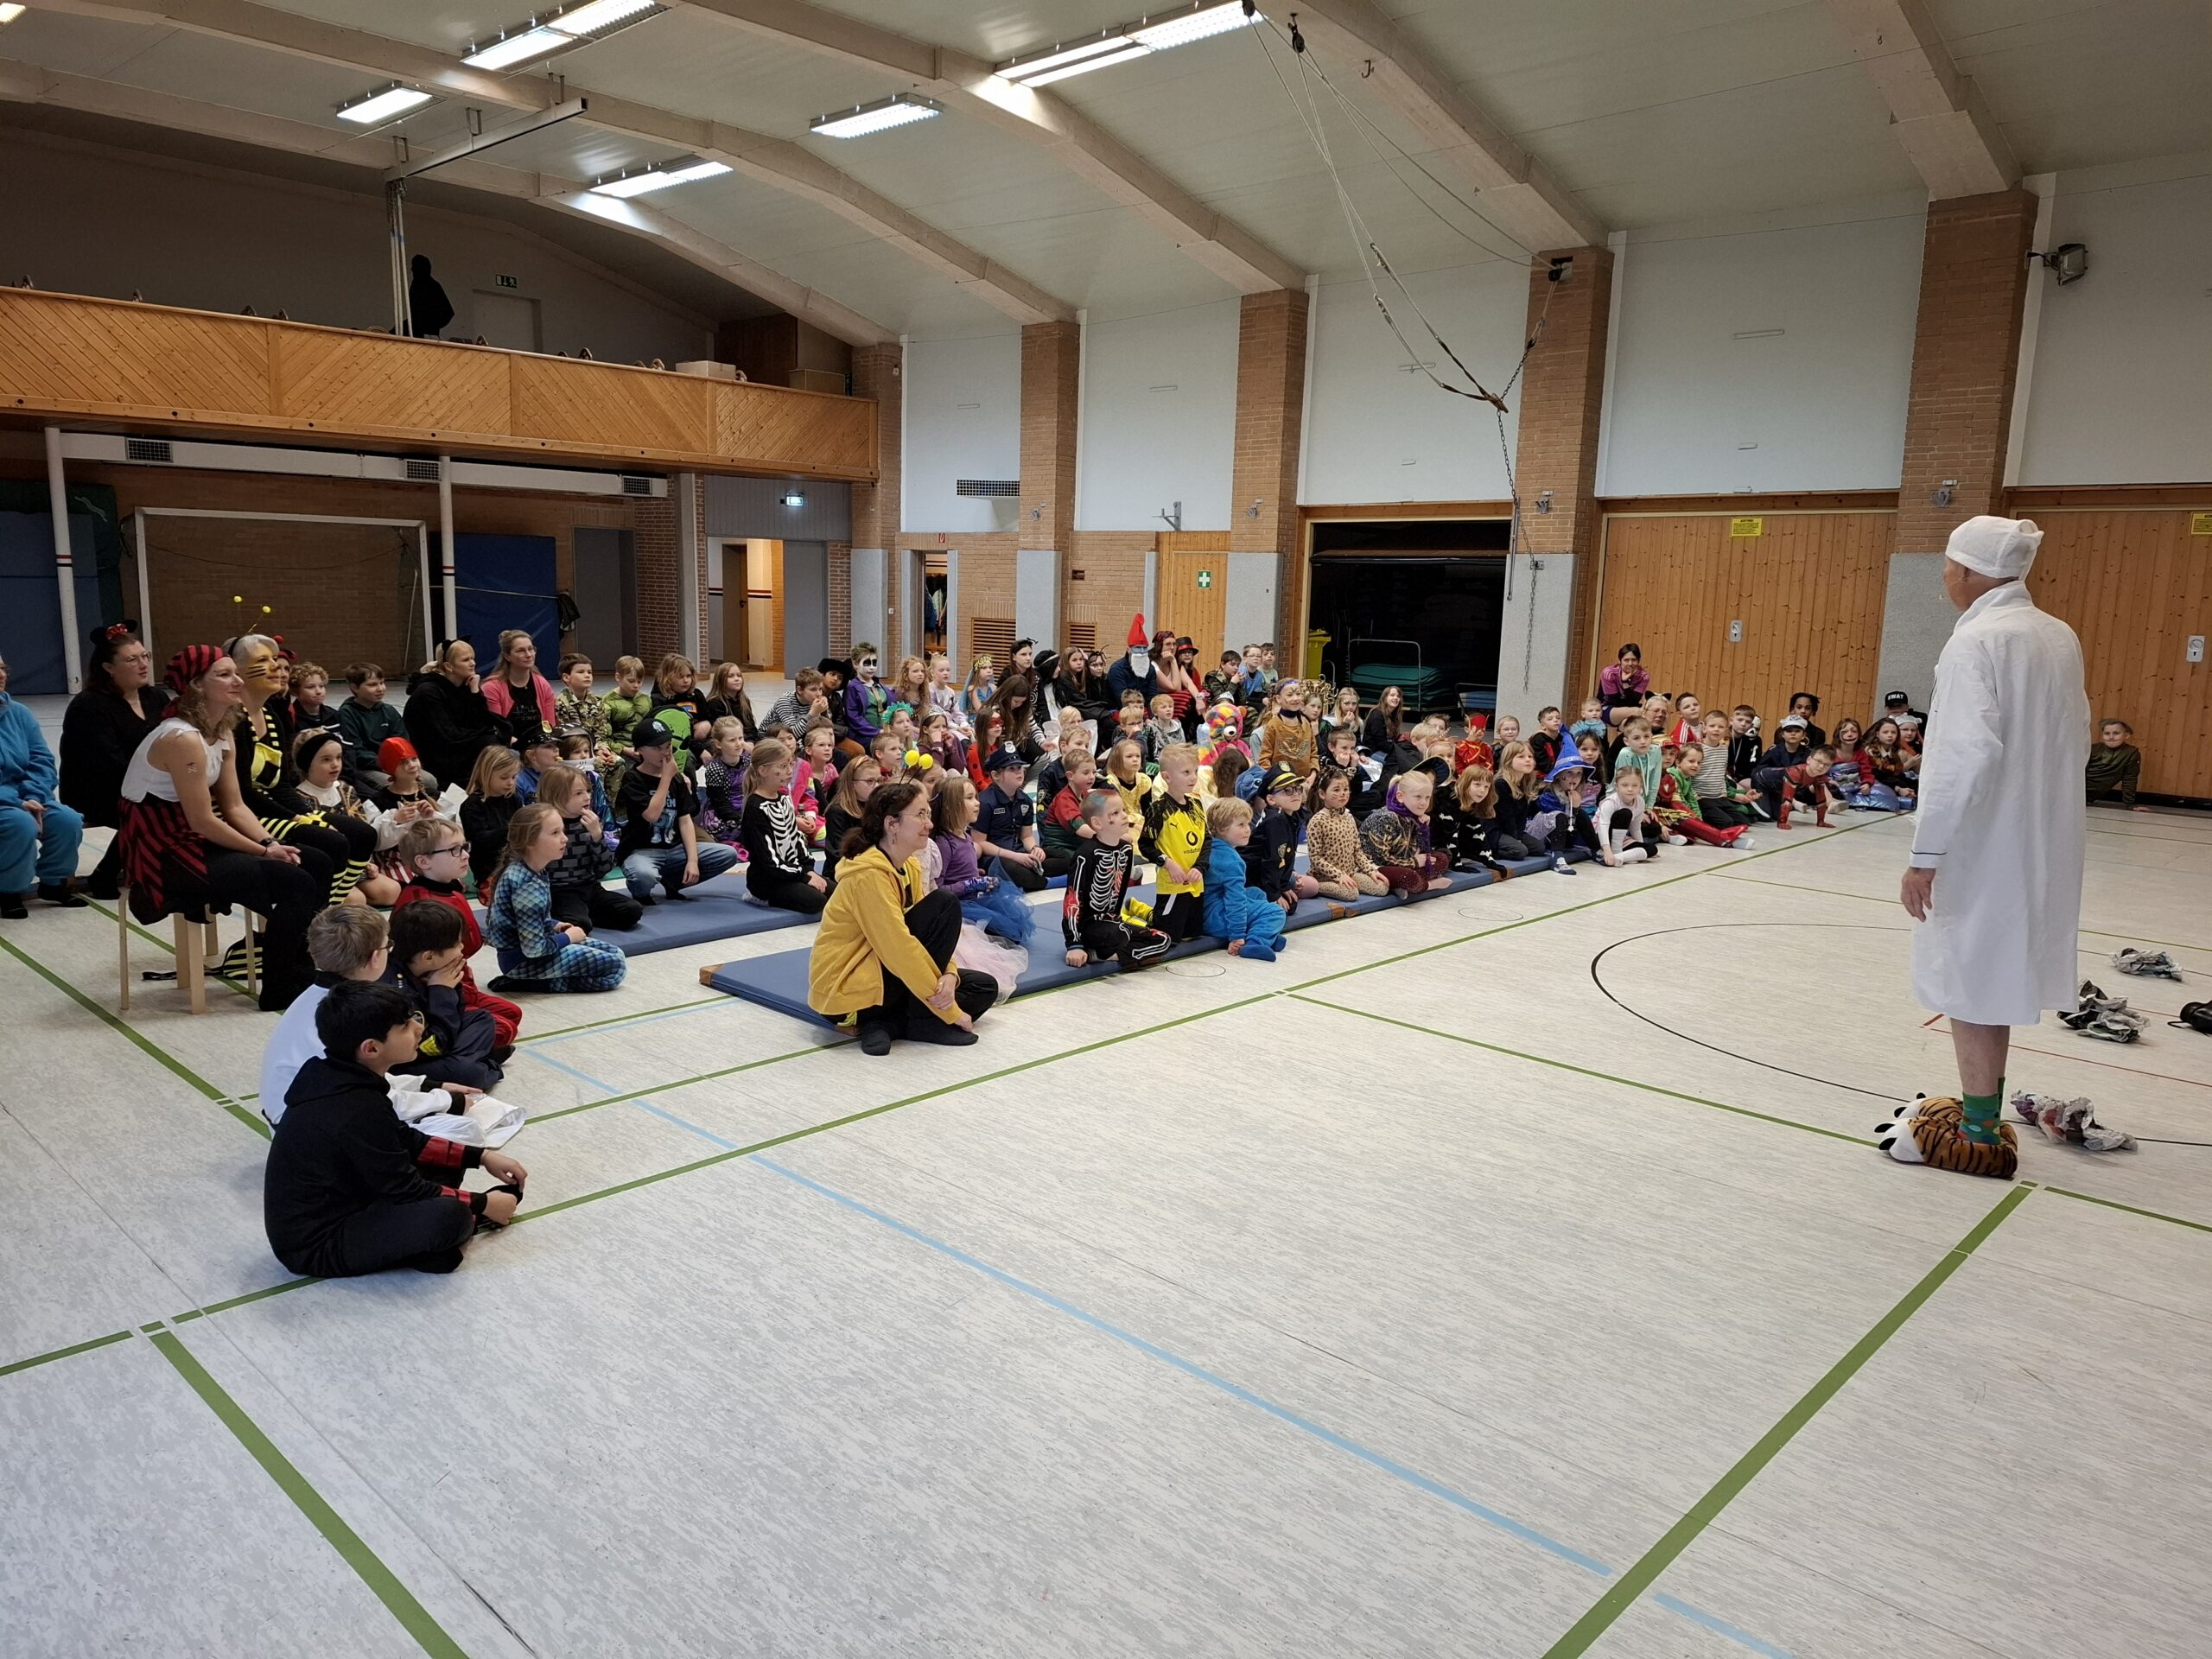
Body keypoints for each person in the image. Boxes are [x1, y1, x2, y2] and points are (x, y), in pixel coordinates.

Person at [1901, 515, 2090, 1162]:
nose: (1945, 577)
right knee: (1996, 971)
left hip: (1983, 839)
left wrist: (1925, 855)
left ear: (1968, 571)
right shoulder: (2058, 635)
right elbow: (2078, 735)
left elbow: (1959, 757)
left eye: (1948, 566)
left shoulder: (1976, 642)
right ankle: (1981, 1107)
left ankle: (1978, 1133)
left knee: (1971, 975)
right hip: (2042, 833)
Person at [264, 981, 528, 1280]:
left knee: (442, 1163)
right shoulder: (354, 1108)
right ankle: (436, 1242)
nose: (419, 1028)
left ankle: (429, 1244)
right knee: (451, 1216)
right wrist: (483, 1204)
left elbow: (405, 1139)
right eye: (404, 1026)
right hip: (319, 1245)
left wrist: (481, 1157)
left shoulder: (343, 1077)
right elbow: (405, 1188)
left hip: (355, 1197)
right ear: (372, 1048)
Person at [118, 647, 322, 1008]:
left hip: (194, 836)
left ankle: (298, 966)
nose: (238, 681)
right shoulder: (181, 738)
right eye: (224, 674)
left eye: (235, 673)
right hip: (163, 848)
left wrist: (270, 842)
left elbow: (234, 806)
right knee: (295, 881)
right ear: (196, 685)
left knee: (316, 861)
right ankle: (279, 986)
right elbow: (202, 819)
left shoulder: (222, 730)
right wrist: (264, 852)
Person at [809, 779, 998, 1053]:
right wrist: (949, 1012)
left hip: (883, 973)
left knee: (983, 987)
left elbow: (929, 938)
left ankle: (888, 1024)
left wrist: (949, 975)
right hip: (849, 989)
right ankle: (922, 1021)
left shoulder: (908, 864)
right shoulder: (868, 876)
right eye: (920, 815)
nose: (929, 824)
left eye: (928, 814)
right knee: (945, 904)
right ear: (892, 824)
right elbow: (900, 950)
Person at [221, 632, 377, 912]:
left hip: (269, 807)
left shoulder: (272, 718)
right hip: (245, 814)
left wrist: (307, 813)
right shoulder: (234, 722)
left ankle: (328, 910)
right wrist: (299, 818)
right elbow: (243, 793)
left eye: (276, 659)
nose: (277, 668)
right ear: (238, 670)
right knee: (332, 842)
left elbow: (280, 785)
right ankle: (317, 917)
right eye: (263, 660)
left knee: (363, 834)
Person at [60, 622, 171, 899]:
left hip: (145, 783)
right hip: (97, 789)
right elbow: (107, 764)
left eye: (145, 656)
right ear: (108, 667)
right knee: (153, 808)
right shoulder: (89, 705)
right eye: (132, 660)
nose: (143, 664)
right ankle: (105, 873)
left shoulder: (156, 698)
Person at [391, 818, 524, 1048]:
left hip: (462, 982)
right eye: (454, 850)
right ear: (423, 861)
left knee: (513, 1013)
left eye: (464, 847)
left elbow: (470, 943)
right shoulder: (422, 908)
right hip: (441, 991)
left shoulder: (451, 890)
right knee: (504, 1030)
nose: (465, 855)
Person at [258, 906, 394, 1126]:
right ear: (376, 957)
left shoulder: (312, 996)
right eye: (388, 946)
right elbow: (369, 1092)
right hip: (307, 1123)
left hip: (289, 1113)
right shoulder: (349, 1014)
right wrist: (442, 1098)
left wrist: (428, 1087)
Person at [481, 804, 627, 993]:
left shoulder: (534, 869)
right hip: (524, 961)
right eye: (555, 833)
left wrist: (556, 925)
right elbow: (534, 949)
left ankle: (542, 978)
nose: (564, 838)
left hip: (536, 950)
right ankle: (528, 983)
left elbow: (529, 922)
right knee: (615, 969)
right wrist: (568, 937)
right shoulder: (526, 884)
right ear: (530, 841)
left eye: (562, 831)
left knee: (616, 953)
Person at [385, 899, 505, 1093]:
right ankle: (487, 1065)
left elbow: (459, 1012)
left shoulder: (426, 970)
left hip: (436, 1036)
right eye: (456, 944)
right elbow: (433, 1046)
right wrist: (441, 991)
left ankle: (470, 1059)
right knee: (468, 1073)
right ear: (429, 957)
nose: (462, 947)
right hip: (406, 1061)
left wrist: (446, 988)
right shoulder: (397, 993)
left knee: (482, 1018)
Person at [0, 652, 86, 918]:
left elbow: (42, 760)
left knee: (67, 820)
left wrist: (34, 795)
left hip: (27, 794)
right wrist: (17, 802)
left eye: (3, 668)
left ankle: (53, 883)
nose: (1, 675)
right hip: (6, 800)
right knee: (20, 824)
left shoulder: (19, 713)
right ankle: (9, 891)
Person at [617, 724, 737, 902]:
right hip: (642, 850)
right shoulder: (632, 778)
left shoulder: (677, 778)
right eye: (657, 748)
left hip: (675, 849)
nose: (665, 753)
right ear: (640, 750)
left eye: (668, 746)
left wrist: (692, 861)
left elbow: (685, 820)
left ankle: (673, 882)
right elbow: (652, 816)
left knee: (727, 854)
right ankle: (641, 892)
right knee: (644, 875)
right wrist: (666, 777)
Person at [291, 730, 404, 906]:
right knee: (355, 899)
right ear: (307, 763)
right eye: (326, 760)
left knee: (391, 891)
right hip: (329, 870)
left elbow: (362, 831)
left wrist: (366, 863)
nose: (335, 765)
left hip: (355, 865)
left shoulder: (346, 790)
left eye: (338, 758)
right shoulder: (298, 798)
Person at [535, 763, 641, 934]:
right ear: (556, 796)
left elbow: (604, 868)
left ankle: (584, 916)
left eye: (588, 791)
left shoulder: (590, 822)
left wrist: (597, 836)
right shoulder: (544, 826)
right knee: (579, 924)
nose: (587, 797)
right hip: (559, 890)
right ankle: (564, 918)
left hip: (588, 886)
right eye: (578, 793)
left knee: (632, 910)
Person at [931, 772, 1033, 947]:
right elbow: (937, 889)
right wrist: (971, 884)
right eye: (969, 798)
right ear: (949, 806)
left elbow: (960, 870)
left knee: (1015, 931)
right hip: (960, 906)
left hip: (976, 899)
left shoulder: (965, 836)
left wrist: (978, 877)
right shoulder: (944, 843)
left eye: (976, 797)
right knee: (1004, 936)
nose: (977, 803)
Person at [738, 736, 827, 914]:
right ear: (763, 770)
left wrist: (808, 870)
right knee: (817, 902)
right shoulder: (755, 808)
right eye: (783, 766)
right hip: (768, 879)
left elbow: (796, 839)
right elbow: (767, 860)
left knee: (836, 894)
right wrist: (803, 876)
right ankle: (759, 897)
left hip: (792, 871)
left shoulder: (785, 799)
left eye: (791, 765)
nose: (789, 771)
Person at [407, 639, 508, 793]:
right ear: (449, 666)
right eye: (466, 660)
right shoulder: (428, 692)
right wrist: (485, 735)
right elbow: (446, 735)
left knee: (500, 742)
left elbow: (481, 722)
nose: (473, 663)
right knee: (490, 743)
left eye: (473, 658)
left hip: (459, 747)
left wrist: (475, 692)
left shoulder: (465, 686)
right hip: (438, 754)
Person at [1203, 798, 1289, 961]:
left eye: (1248, 824)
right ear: (1221, 829)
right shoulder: (1232, 862)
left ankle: (1261, 932)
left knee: (1257, 893)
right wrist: (1236, 937)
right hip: (1216, 919)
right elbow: (1235, 901)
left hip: (1206, 911)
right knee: (1275, 912)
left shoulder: (1211, 847)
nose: (1248, 830)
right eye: (1241, 825)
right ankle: (1255, 942)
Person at [1140, 743, 1209, 941]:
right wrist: (1168, 863)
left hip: (1195, 882)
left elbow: (1206, 840)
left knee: (1192, 935)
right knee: (1167, 936)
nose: (1193, 777)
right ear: (1167, 777)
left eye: (1195, 771)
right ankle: (1139, 912)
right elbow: (1145, 845)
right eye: (1186, 772)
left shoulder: (1197, 805)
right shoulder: (1159, 809)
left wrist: (1200, 867)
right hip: (1173, 883)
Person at [1360, 769, 1451, 895]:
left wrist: (1423, 828)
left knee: (1442, 859)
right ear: (1400, 797)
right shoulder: (1386, 818)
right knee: (1407, 876)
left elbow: (1420, 850)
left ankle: (1403, 884)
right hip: (1376, 867)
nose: (1424, 803)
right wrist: (1414, 862)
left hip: (1403, 862)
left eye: (1427, 797)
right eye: (1418, 797)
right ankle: (1427, 885)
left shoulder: (1413, 814)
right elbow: (1380, 859)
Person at [1306, 766, 1390, 899]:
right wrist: (1338, 875)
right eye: (1336, 790)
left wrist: (1371, 871)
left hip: (1350, 873)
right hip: (1325, 876)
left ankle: (1350, 881)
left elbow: (1357, 851)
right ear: (1322, 794)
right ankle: (1317, 885)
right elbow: (1316, 858)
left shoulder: (1349, 816)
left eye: (1346, 789)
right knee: (1350, 893)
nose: (1343, 794)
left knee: (1381, 887)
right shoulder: (1317, 821)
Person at [974, 746, 1046, 893]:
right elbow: (980, 842)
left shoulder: (1024, 800)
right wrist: (1016, 857)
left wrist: (1034, 849)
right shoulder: (986, 802)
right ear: (995, 775)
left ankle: (1039, 877)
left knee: (1061, 857)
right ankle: (1046, 882)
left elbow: (1026, 836)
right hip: (995, 857)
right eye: (1011, 769)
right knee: (1011, 869)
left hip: (1018, 851)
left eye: (1019, 767)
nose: (1019, 772)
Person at [1249, 766, 1319, 908]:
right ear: (1271, 799)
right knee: (1286, 908)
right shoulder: (1276, 820)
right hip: (1254, 879)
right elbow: (1271, 861)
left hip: (1274, 874)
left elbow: (1286, 855)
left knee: (1312, 887)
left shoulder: (1291, 815)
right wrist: (1274, 894)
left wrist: (1285, 884)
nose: (1296, 794)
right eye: (1287, 790)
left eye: (1298, 789)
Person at [335, 663, 408, 790]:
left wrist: (401, 762)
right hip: (366, 768)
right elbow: (356, 750)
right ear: (355, 687)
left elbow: (402, 740)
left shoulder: (389, 711)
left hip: (394, 764)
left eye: (382, 683)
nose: (380, 688)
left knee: (428, 780)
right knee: (394, 786)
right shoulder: (346, 714)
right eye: (373, 685)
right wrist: (384, 764)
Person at [461, 746, 524, 887]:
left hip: (515, 863)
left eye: (514, 777)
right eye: (504, 777)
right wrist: (514, 828)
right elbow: (482, 840)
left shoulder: (513, 798)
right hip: (489, 870)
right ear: (486, 774)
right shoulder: (472, 805)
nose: (510, 782)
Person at [821, 756, 879, 887]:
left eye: (878, 780)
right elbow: (836, 853)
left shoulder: (876, 808)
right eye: (870, 781)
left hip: (870, 866)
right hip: (843, 872)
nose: (876, 786)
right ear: (853, 783)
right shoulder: (837, 811)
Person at [1041, 748, 1098, 880]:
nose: (1092, 776)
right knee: (1077, 860)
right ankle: (1036, 868)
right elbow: (1081, 828)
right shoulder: (1064, 799)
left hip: (1075, 846)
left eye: (1094, 772)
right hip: (1058, 849)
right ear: (1070, 776)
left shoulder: (1086, 794)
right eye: (1086, 773)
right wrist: (1106, 837)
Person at [1755, 744, 1834, 830]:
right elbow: (1787, 799)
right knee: (1765, 816)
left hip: (1777, 789)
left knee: (1775, 816)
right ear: (1809, 760)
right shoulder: (1795, 773)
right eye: (1818, 761)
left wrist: (1821, 821)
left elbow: (1821, 800)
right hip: (1761, 781)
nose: (1821, 766)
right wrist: (1782, 822)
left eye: (1827, 765)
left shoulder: (1820, 777)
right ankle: (1749, 804)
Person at [1594, 767, 1661, 866]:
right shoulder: (1611, 802)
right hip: (1600, 836)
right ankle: (1615, 852)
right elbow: (1602, 826)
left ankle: (1619, 857)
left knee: (1652, 849)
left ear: (1640, 787)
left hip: (1620, 838)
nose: (1630, 789)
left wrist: (1641, 845)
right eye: (1625, 785)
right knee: (1625, 813)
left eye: (1635, 785)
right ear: (1617, 786)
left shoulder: (1640, 801)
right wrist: (1607, 850)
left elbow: (1635, 827)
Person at [1257, 679, 1319, 780]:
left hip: (1306, 782)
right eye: (1290, 695)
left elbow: (1313, 754)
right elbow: (1264, 759)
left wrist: (1313, 775)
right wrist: (1276, 781)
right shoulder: (1273, 726)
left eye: (1298, 694)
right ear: (1279, 699)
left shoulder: (1306, 723)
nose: (1295, 698)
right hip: (1282, 784)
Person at [2085, 718, 2145, 810]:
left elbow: (2130, 779)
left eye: (2116, 733)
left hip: (2088, 798)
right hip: (2074, 793)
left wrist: (2130, 804)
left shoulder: (2131, 753)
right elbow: (2079, 772)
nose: (2111, 737)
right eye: (2107, 733)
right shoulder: (2093, 749)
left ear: (2126, 735)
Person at [1105, 614, 1159, 706]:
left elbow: (1152, 696)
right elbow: (1122, 699)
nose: (1142, 652)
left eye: (1145, 648)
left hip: (1143, 709)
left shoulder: (1150, 669)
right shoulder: (1117, 669)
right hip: (1119, 709)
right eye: (1138, 648)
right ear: (1128, 650)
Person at [603, 654, 651, 753]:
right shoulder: (607, 702)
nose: (636, 686)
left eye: (639, 682)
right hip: (621, 749)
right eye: (631, 681)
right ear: (618, 677)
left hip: (646, 747)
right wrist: (624, 750)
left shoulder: (646, 700)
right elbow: (603, 737)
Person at [1597, 643, 1649, 728]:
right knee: (1638, 712)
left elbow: (1634, 701)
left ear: (1638, 661)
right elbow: (1614, 701)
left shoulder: (1643, 676)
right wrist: (1623, 681)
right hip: (1606, 708)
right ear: (1620, 661)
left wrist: (1625, 683)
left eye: (1634, 660)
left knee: (1649, 712)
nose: (1630, 663)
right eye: (1626, 660)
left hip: (1629, 707)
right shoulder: (1609, 673)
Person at [406, 253, 455, 339]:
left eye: (414, 266)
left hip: (426, 334)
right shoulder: (416, 285)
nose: (412, 269)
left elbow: (448, 313)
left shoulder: (433, 286)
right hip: (415, 330)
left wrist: (431, 326)